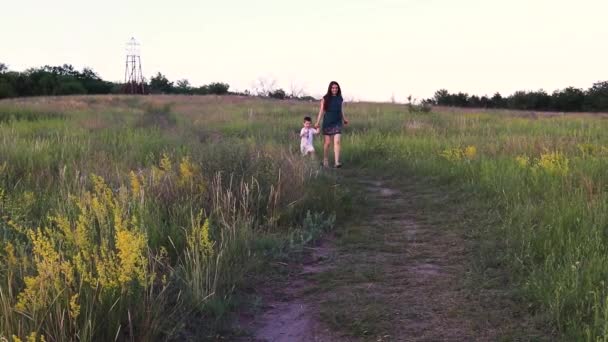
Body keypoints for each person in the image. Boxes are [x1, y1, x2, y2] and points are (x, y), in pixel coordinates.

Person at [314, 81, 349, 168]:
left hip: (337, 121)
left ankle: (337, 162)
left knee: (337, 141)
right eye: (333, 88)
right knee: (327, 143)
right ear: (330, 88)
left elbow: (341, 110)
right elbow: (321, 111)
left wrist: (344, 119)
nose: (335, 89)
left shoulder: (340, 98)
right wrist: (317, 122)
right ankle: (325, 160)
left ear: (338, 89)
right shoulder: (325, 98)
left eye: (336, 88)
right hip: (328, 122)